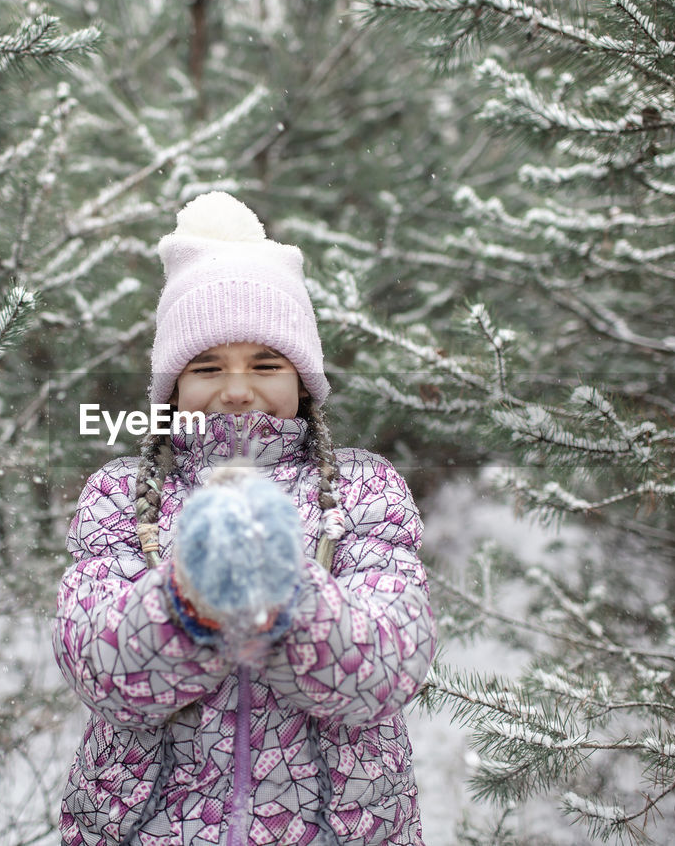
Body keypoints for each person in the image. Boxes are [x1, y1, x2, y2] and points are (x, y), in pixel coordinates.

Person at [52, 191, 435, 846]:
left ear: (303, 382)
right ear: (171, 389)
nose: (235, 387)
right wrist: (186, 602)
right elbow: (96, 665)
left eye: (265, 363)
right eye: (207, 366)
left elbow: (391, 663)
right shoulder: (118, 494)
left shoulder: (363, 490)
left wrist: (287, 592)